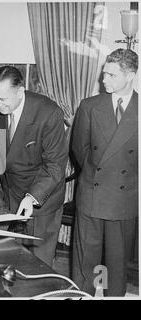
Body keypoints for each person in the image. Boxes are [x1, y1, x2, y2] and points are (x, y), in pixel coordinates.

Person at [71, 49, 138, 296]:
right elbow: (80, 150)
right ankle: (82, 295)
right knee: (84, 264)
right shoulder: (89, 106)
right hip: (92, 194)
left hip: (124, 200)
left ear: (130, 76)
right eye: (103, 73)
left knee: (116, 266)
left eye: (111, 75)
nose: (104, 80)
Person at [0, 66, 68, 266]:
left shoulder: (49, 113)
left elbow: (55, 166)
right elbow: (0, 152)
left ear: (20, 91)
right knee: (7, 255)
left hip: (41, 195)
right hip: (10, 191)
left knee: (39, 261)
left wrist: (32, 198)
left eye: (2, 100)